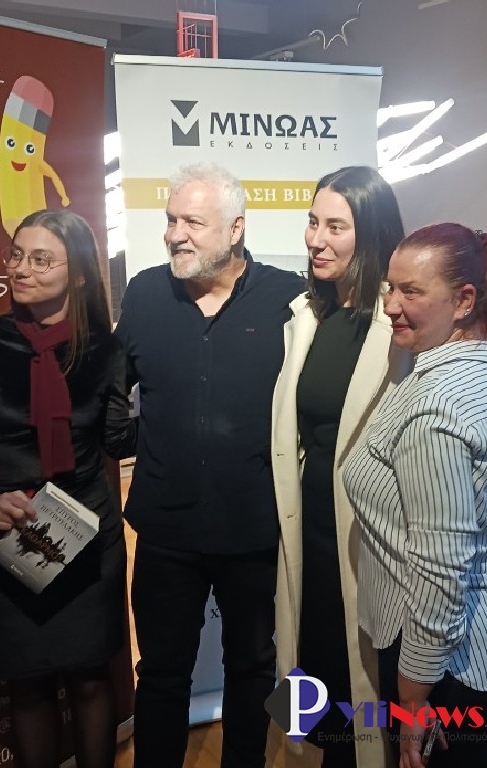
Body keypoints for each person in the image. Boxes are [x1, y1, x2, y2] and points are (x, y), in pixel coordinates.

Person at [271, 168, 487, 767]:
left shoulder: (405, 316)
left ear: (371, 231)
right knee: (321, 686)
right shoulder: (305, 312)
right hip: (315, 535)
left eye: (336, 226)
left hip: (381, 542)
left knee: (380, 709)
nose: (317, 239)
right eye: (313, 222)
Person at [0, 209, 135, 768]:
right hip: (5, 541)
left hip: (87, 539)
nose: (21, 269)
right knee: (28, 687)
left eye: (41, 259)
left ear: (78, 274)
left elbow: (117, 439)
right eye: (16, 255)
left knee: (91, 680)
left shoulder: (104, 352)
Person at [115, 163, 304, 768]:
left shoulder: (289, 299)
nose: (175, 234)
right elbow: (109, 395)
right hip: (166, 530)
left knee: (252, 667)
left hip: (255, 529)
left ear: (236, 229)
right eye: (171, 220)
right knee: (162, 671)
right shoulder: (144, 294)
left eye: (192, 222)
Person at [345, 223, 487, 768]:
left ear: (463, 301)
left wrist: (414, 695)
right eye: (390, 288)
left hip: (448, 657)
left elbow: (440, 571)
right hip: (470, 641)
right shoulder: (482, 368)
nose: (391, 305)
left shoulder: (437, 407)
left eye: (411, 291)